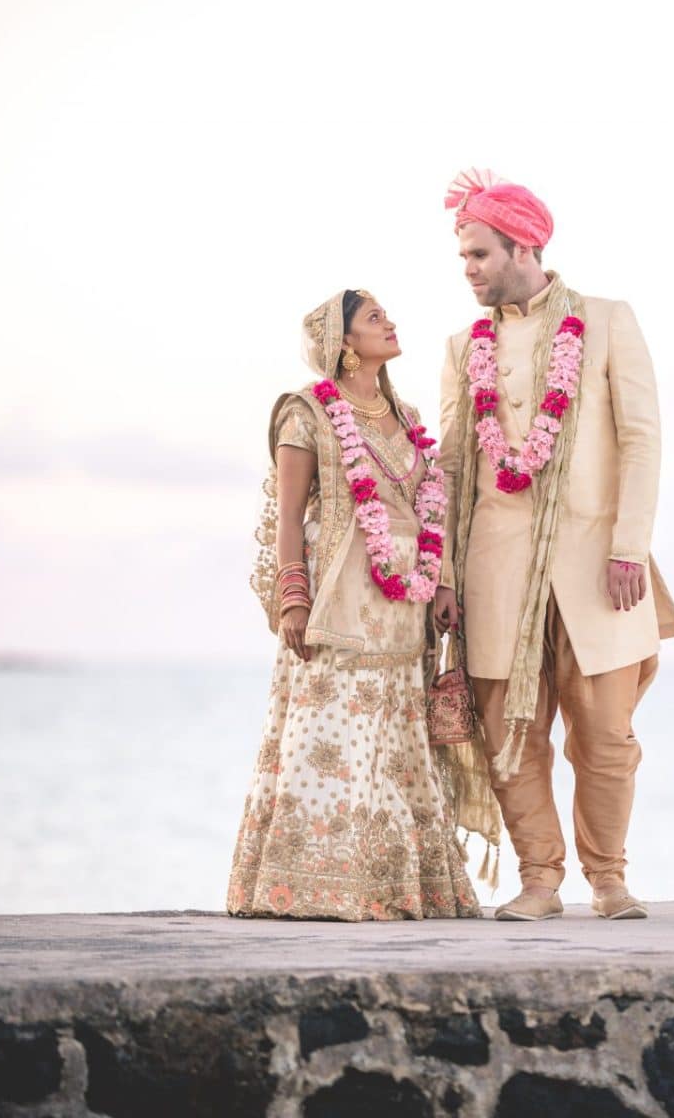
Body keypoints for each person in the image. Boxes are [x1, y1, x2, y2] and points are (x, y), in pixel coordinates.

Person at [434, 170, 674, 922]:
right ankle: (539, 879)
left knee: (606, 736)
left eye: (480, 254)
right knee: (513, 736)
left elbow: (642, 440)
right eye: (464, 258)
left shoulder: (606, 321)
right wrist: (444, 574)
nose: (470, 270)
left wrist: (629, 549)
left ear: (524, 245)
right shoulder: (461, 347)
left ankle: (608, 879)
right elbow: (449, 465)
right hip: (496, 572)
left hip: (598, 567)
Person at [227, 288, 500, 921]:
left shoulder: (405, 416)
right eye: (374, 318)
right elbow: (290, 515)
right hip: (338, 604)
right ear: (344, 343)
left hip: (405, 609)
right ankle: (314, 885)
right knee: (332, 738)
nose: (390, 323)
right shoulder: (308, 414)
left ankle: (394, 890)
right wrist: (291, 599)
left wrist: (445, 586)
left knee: (397, 745)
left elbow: (430, 506)